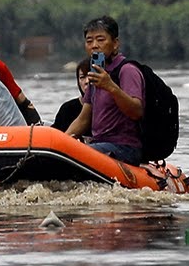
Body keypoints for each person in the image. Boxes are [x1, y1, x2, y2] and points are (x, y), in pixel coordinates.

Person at [64, 15, 144, 164]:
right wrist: (61, 142)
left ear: (115, 44)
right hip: (99, 144)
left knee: (79, 154)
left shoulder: (127, 70)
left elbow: (136, 111)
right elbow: (83, 119)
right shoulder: (96, 73)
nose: (94, 45)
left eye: (100, 40)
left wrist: (111, 86)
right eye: (89, 41)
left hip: (125, 147)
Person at [52, 58, 91, 132]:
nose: (87, 81)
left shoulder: (108, 108)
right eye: (82, 77)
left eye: (90, 76)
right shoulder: (68, 109)